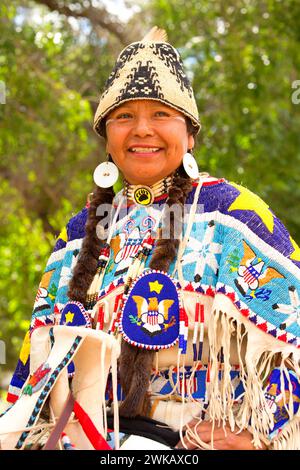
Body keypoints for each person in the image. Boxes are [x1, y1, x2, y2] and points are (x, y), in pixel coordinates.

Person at [2, 26, 300, 451]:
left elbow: (292, 341)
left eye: (161, 114)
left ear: (190, 132)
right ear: (107, 136)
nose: (142, 129)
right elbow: (35, 368)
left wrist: (260, 434)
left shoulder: (235, 218)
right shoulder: (77, 235)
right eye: (124, 116)